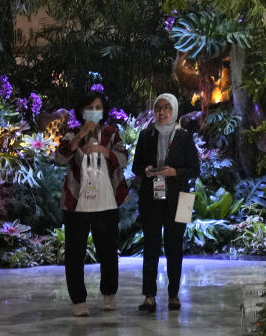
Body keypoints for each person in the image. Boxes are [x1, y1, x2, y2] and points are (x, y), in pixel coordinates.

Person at [54, 90, 129, 317]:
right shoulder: (72, 133)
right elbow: (59, 158)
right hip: (77, 203)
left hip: (107, 200)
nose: (94, 112)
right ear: (81, 111)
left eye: (98, 107)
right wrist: (80, 136)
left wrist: (102, 150)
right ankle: (78, 300)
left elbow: (124, 158)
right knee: (75, 252)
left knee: (107, 250)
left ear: (103, 111)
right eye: (90, 108)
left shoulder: (111, 133)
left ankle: (109, 295)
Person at [132, 92, 200, 313]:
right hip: (151, 197)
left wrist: (174, 172)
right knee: (150, 246)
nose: (161, 112)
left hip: (181, 198)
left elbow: (194, 169)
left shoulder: (184, 137)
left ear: (174, 111)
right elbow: (136, 167)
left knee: (175, 248)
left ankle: (173, 295)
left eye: (166, 108)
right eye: (158, 108)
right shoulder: (145, 135)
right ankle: (149, 296)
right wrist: (146, 170)